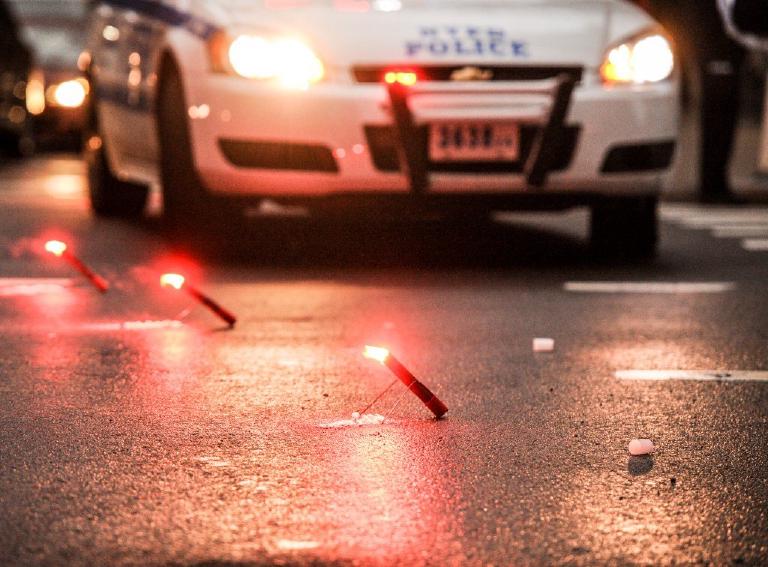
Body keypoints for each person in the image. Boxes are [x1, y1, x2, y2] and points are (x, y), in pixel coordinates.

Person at [634, 1, 748, 203]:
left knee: (718, 98)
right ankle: (709, 184)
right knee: (717, 98)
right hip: (705, 22)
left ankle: (711, 182)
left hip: (714, 23)